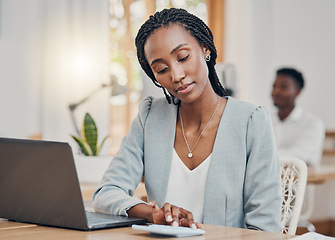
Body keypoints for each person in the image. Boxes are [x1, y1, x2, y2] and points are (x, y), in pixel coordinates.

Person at [93, 8, 281, 232]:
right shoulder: (150, 116)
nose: (176, 75)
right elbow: (106, 193)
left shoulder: (251, 121)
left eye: (183, 57)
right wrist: (154, 214)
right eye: (161, 69)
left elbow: (265, 229)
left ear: (205, 49)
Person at [271, 67, 325, 166]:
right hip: (268, 180)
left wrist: (262, 156)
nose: (276, 92)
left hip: (303, 181)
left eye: (283, 87)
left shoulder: (313, 123)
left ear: (298, 92)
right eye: (274, 86)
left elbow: (299, 156)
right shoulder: (265, 120)